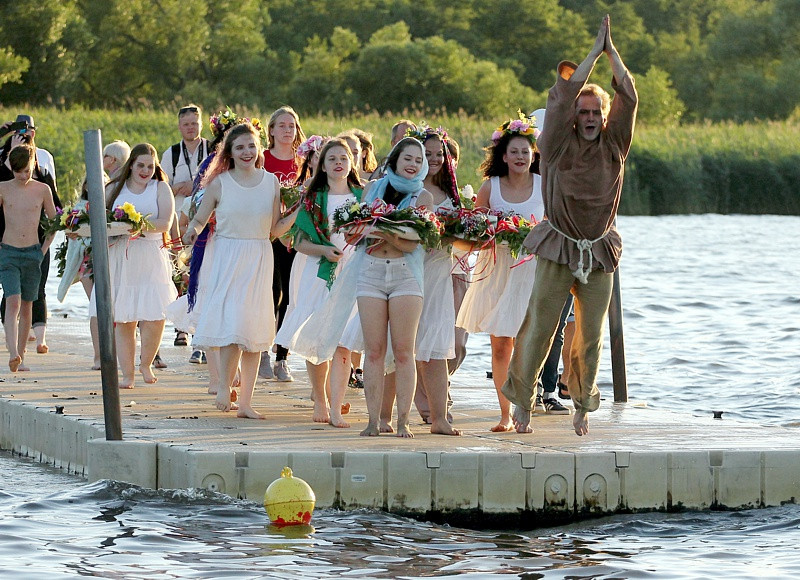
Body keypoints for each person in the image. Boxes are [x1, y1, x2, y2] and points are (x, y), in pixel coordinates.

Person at [501, 15, 638, 436]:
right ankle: (522, 401)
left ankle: (582, 403)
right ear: (576, 117)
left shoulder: (615, 143)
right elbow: (560, 99)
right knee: (540, 326)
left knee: (590, 336)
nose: (591, 116)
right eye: (585, 111)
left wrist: (612, 54)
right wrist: (591, 55)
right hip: (559, 244)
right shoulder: (557, 143)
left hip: (598, 248)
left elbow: (629, 99)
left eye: (597, 111)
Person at [182, 122, 299, 418]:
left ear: (259, 147)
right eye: (240, 147)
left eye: (251, 146)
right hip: (228, 255)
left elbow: (274, 230)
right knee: (234, 326)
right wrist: (192, 231)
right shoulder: (220, 183)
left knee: (253, 330)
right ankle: (223, 385)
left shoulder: (271, 181)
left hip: (259, 255)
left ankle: (245, 402)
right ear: (230, 153)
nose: (247, 152)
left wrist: (297, 212)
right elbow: (199, 218)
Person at [455, 112, 552, 432]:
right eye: (514, 151)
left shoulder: (544, 185)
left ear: (533, 154)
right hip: (497, 270)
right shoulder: (490, 187)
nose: (521, 157)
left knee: (529, 344)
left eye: (526, 151)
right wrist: (491, 233)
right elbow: (475, 230)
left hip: (532, 272)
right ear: (504, 155)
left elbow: (556, 227)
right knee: (502, 345)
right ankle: (505, 414)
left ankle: (526, 407)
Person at [274, 138, 362, 427]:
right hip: (314, 270)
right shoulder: (313, 198)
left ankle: (336, 407)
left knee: (343, 343)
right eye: (332, 158)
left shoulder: (363, 196)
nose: (338, 162)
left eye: (344, 158)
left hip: (351, 273)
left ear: (352, 164)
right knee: (318, 338)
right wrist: (324, 250)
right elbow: (298, 241)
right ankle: (320, 399)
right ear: (322, 165)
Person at [356, 138, 433, 437]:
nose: (413, 164)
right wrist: (390, 235)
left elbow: (415, 242)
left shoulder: (422, 198)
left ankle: (403, 421)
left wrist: (384, 234)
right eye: (408, 158)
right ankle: (373, 420)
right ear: (395, 160)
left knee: (404, 352)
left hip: (406, 276)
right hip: (371, 273)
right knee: (373, 351)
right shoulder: (371, 189)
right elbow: (360, 232)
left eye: (418, 160)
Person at [92, 143, 177, 388]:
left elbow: (165, 222)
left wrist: (139, 226)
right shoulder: (114, 189)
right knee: (125, 318)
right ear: (131, 165)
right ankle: (127, 374)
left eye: (150, 166)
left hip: (150, 254)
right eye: (140, 165)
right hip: (122, 256)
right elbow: (100, 220)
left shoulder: (160, 188)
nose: (146, 170)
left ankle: (146, 363)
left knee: (155, 316)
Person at [408, 125, 462, 436]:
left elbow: (460, 237)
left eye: (439, 154)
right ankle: (393, 413)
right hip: (411, 269)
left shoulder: (452, 195)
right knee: (403, 344)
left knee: (438, 345)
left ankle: (439, 416)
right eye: (426, 154)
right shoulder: (407, 191)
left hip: (441, 272)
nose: (434, 159)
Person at [58, 139, 131, 370]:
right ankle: (99, 355)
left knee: (113, 306)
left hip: (110, 258)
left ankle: (115, 352)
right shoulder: (79, 208)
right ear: (87, 186)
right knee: (96, 305)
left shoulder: (112, 204)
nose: (96, 186)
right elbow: (71, 231)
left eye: (101, 181)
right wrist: (74, 232)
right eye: (92, 182)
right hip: (87, 262)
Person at [0, 115, 62, 361]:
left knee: (28, 303)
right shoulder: (4, 185)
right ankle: (13, 352)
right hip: (8, 250)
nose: (23, 176)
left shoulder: (43, 183)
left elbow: (55, 218)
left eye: (26, 171)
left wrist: (45, 248)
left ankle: (23, 352)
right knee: (12, 301)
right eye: (18, 171)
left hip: (33, 250)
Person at [262, 105, 307, 382]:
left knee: (291, 297)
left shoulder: (303, 161)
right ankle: (263, 352)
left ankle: (282, 357)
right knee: (271, 294)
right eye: (282, 125)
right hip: (269, 234)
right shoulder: (263, 159)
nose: (287, 130)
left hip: (296, 237)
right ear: (271, 130)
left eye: (291, 125)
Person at [160, 104, 209, 205]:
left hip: (208, 215)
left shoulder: (212, 149)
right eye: (186, 124)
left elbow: (223, 183)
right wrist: (178, 187)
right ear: (179, 127)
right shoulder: (171, 154)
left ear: (201, 125)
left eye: (194, 123)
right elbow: (161, 192)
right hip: (178, 216)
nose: (190, 127)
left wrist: (196, 185)